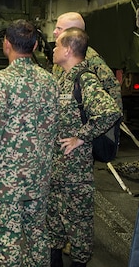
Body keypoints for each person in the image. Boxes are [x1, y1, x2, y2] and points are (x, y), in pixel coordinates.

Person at [0, 19, 59, 266]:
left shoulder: (1, 81)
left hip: (7, 180)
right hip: (39, 176)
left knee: (6, 239)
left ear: (6, 44)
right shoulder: (50, 81)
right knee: (37, 235)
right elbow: (52, 127)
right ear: (34, 47)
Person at [48, 27, 122, 267]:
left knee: (79, 228)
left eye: (58, 45)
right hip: (57, 170)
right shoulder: (63, 78)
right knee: (54, 224)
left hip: (76, 174)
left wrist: (81, 136)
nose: (54, 49)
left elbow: (110, 112)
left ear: (68, 50)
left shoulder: (85, 78)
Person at [52, 12, 122, 110]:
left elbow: (112, 88)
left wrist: (112, 122)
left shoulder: (91, 60)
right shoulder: (61, 58)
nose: (54, 32)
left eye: (59, 28)